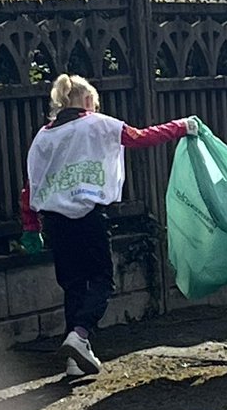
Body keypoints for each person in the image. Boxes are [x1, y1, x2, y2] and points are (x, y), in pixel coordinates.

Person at [24, 74, 197, 377]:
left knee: (73, 285)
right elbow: (140, 137)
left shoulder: (44, 137)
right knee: (103, 279)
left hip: (54, 220)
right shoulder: (97, 123)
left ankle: (74, 359)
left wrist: (29, 225)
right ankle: (80, 333)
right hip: (89, 214)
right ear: (88, 100)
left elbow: (32, 182)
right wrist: (180, 127)